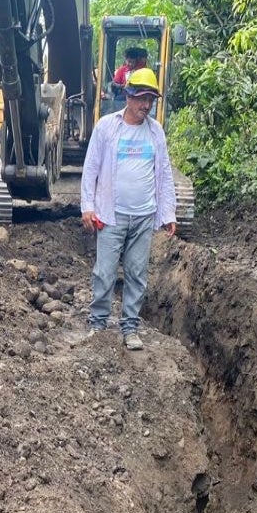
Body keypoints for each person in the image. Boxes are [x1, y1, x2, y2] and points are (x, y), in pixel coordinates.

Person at [79, 67, 176, 351]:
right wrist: (88, 206)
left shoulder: (155, 132)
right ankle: (98, 324)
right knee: (104, 272)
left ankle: (130, 328)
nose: (146, 105)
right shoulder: (107, 128)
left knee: (137, 273)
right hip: (112, 215)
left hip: (144, 216)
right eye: (141, 98)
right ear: (128, 96)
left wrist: (168, 213)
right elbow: (91, 168)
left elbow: (164, 174)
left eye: (150, 100)